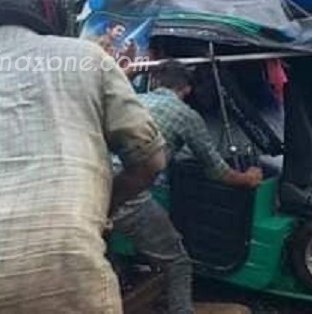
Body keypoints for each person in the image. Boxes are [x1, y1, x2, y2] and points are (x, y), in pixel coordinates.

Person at [0, 0, 167, 313]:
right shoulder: (86, 58)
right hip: (62, 272)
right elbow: (149, 158)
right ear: (51, 5)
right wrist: (104, 206)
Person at [110, 60, 263, 314]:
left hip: (97, 186)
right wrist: (248, 178)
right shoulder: (186, 116)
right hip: (129, 195)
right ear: (188, 89)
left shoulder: (136, 100)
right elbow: (216, 170)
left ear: (157, 82)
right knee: (178, 261)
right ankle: (181, 309)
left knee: (107, 245)